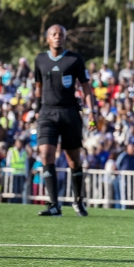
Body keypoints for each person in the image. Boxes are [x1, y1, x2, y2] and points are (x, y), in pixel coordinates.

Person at [33, 25, 95, 217]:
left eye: (61, 34)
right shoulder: (40, 60)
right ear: (47, 39)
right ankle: (53, 204)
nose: (58, 37)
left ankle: (78, 201)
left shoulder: (74, 59)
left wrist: (91, 111)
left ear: (65, 38)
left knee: (73, 159)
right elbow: (38, 86)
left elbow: (86, 87)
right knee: (45, 153)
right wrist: (36, 110)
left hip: (69, 113)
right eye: (54, 34)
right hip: (47, 113)